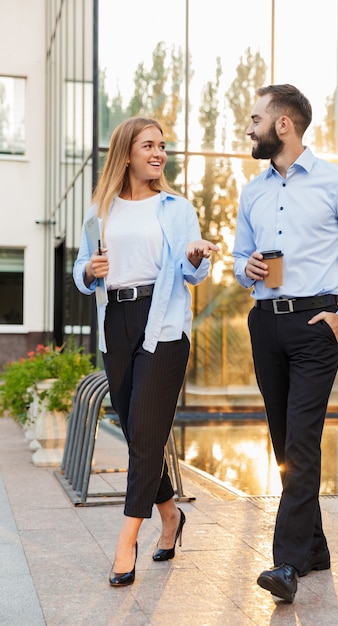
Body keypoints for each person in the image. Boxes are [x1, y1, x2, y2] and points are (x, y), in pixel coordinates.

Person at [233, 84, 338, 603]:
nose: (247, 128)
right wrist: (244, 268)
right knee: (284, 441)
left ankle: (287, 564)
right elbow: (238, 259)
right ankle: (315, 547)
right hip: (265, 322)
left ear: (283, 125)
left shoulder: (337, 183)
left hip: (316, 325)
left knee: (300, 442)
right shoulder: (252, 191)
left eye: (255, 118)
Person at [73, 116, 219, 587]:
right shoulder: (100, 211)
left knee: (148, 429)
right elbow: (81, 270)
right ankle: (171, 516)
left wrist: (196, 258)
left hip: (164, 323)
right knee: (139, 432)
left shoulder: (177, 208)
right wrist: (91, 271)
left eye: (162, 146)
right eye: (148, 145)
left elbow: (190, 270)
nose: (158, 153)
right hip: (117, 322)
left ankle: (125, 542)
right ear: (127, 153)